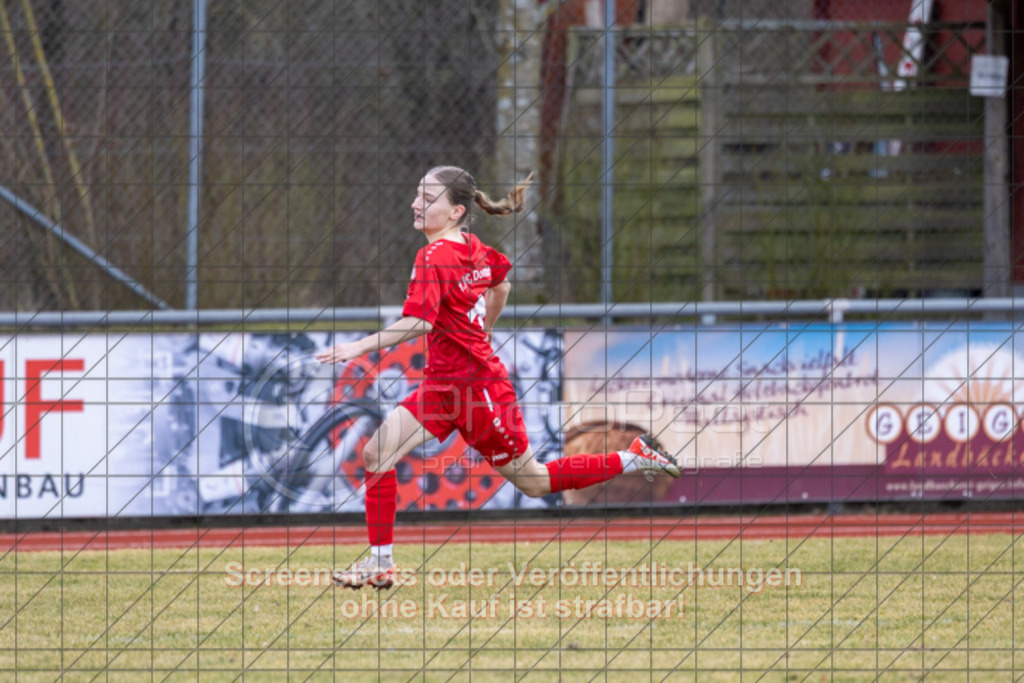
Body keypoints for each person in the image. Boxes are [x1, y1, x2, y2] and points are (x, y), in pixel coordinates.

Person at [316, 166, 680, 590]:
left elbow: (420, 322)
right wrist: (485, 327)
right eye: (417, 194)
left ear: (455, 211)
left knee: (535, 482)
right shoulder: (472, 247)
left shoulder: (433, 256)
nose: (416, 204)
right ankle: (380, 563)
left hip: (478, 391)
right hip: (442, 388)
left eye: (427, 198)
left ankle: (633, 457)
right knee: (377, 454)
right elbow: (501, 285)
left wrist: (359, 347)